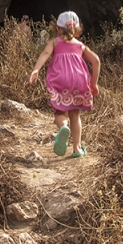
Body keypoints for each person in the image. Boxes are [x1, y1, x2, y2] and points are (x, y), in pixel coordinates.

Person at [28, 11, 100, 158]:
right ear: (77, 30)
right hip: (79, 81)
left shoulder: (54, 42)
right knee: (75, 114)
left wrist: (35, 70)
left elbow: (45, 54)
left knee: (60, 112)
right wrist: (94, 84)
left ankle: (63, 127)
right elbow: (96, 61)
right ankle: (77, 149)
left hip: (60, 80)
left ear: (58, 29)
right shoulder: (81, 46)